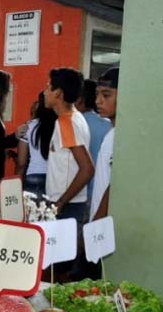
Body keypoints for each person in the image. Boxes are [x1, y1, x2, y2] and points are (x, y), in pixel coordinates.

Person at [44, 68, 95, 280]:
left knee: (54, 273)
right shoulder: (75, 118)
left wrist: (60, 202)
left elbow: (87, 169)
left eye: (48, 87)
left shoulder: (66, 121)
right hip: (69, 205)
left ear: (59, 93)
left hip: (66, 207)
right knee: (57, 270)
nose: (45, 91)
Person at [76, 78, 112, 200]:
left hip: (77, 192)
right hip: (101, 189)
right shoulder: (108, 126)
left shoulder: (73, 124)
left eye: (105, 95)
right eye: (97, 95)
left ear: (80, 99)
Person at [16, 92, 57, 198]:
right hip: (54, 178)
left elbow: (21, 162)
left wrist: (16, 183)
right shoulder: (59, 126)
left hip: (33, 176)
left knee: (33, 213)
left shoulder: (29, 127)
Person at [91, 67, 118, 220]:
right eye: (97, 94)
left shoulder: (121, 138)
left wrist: (96, 225)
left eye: (106, 95)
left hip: (103, 226)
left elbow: (114, 187)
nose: (98, 101)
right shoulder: (111, 134)